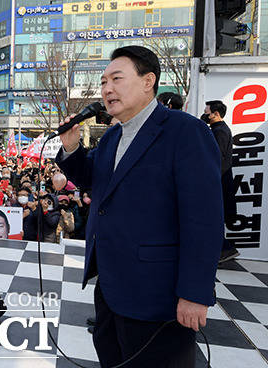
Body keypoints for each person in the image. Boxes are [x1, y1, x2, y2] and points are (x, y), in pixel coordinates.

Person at [56, 45, 223, 366]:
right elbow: (96, 181)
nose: (106, 89)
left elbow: (204, 220)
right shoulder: (111, 138)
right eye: (104, 81)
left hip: (157, 294)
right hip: (111, 285)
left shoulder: (186, 132)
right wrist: (72, 147)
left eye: (117, 79)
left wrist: (194, 293)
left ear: (149, 81)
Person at [203, 100, 239, 263]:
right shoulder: (217, 129)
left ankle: (225, 249)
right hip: (219, 180)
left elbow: (218, 159)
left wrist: (211, 180)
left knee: (214, 217)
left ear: (216, 114)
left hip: (219, 182)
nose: (205, 115)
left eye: (207, 113)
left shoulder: (220, 131)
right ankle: (223, 248)